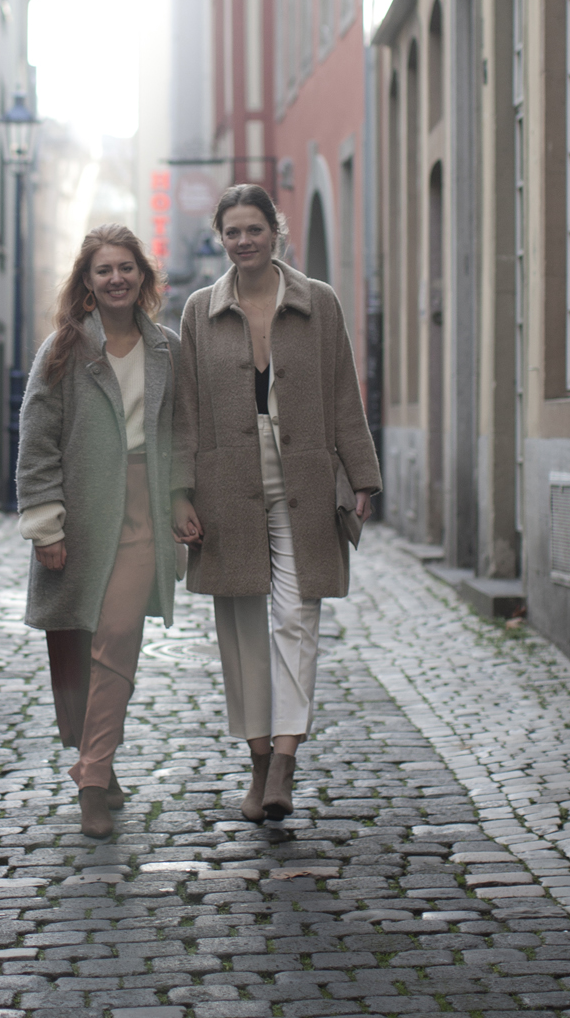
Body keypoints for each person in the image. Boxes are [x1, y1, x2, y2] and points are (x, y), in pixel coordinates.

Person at [172, 184, 382, 822]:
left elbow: (343, 391)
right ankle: (257, 759)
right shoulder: (198, 310)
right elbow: (183, 410)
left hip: (304, 473)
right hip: (224, 481)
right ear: (221, 237)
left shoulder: (318, 302)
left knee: (297, 614)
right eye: (232, 232)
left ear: (275, 231)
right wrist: (180, 491)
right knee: (239, 626)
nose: (243, 241)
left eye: (253, 229)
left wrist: (361, 474)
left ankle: (286, 759)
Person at [17, 223, 180, 839]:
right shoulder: (62, 350)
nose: (117, 279)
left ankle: (89, 780)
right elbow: (36, 444)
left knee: (115, 639)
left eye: (126, 268)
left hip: (144, 513)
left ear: (144, 276)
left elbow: (180, 432)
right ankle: (101, 763)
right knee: (73, 649)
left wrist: (182, 496)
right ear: (87, 282)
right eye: (104, 270)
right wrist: (45, 524)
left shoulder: (167, 348)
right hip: (80, 514)